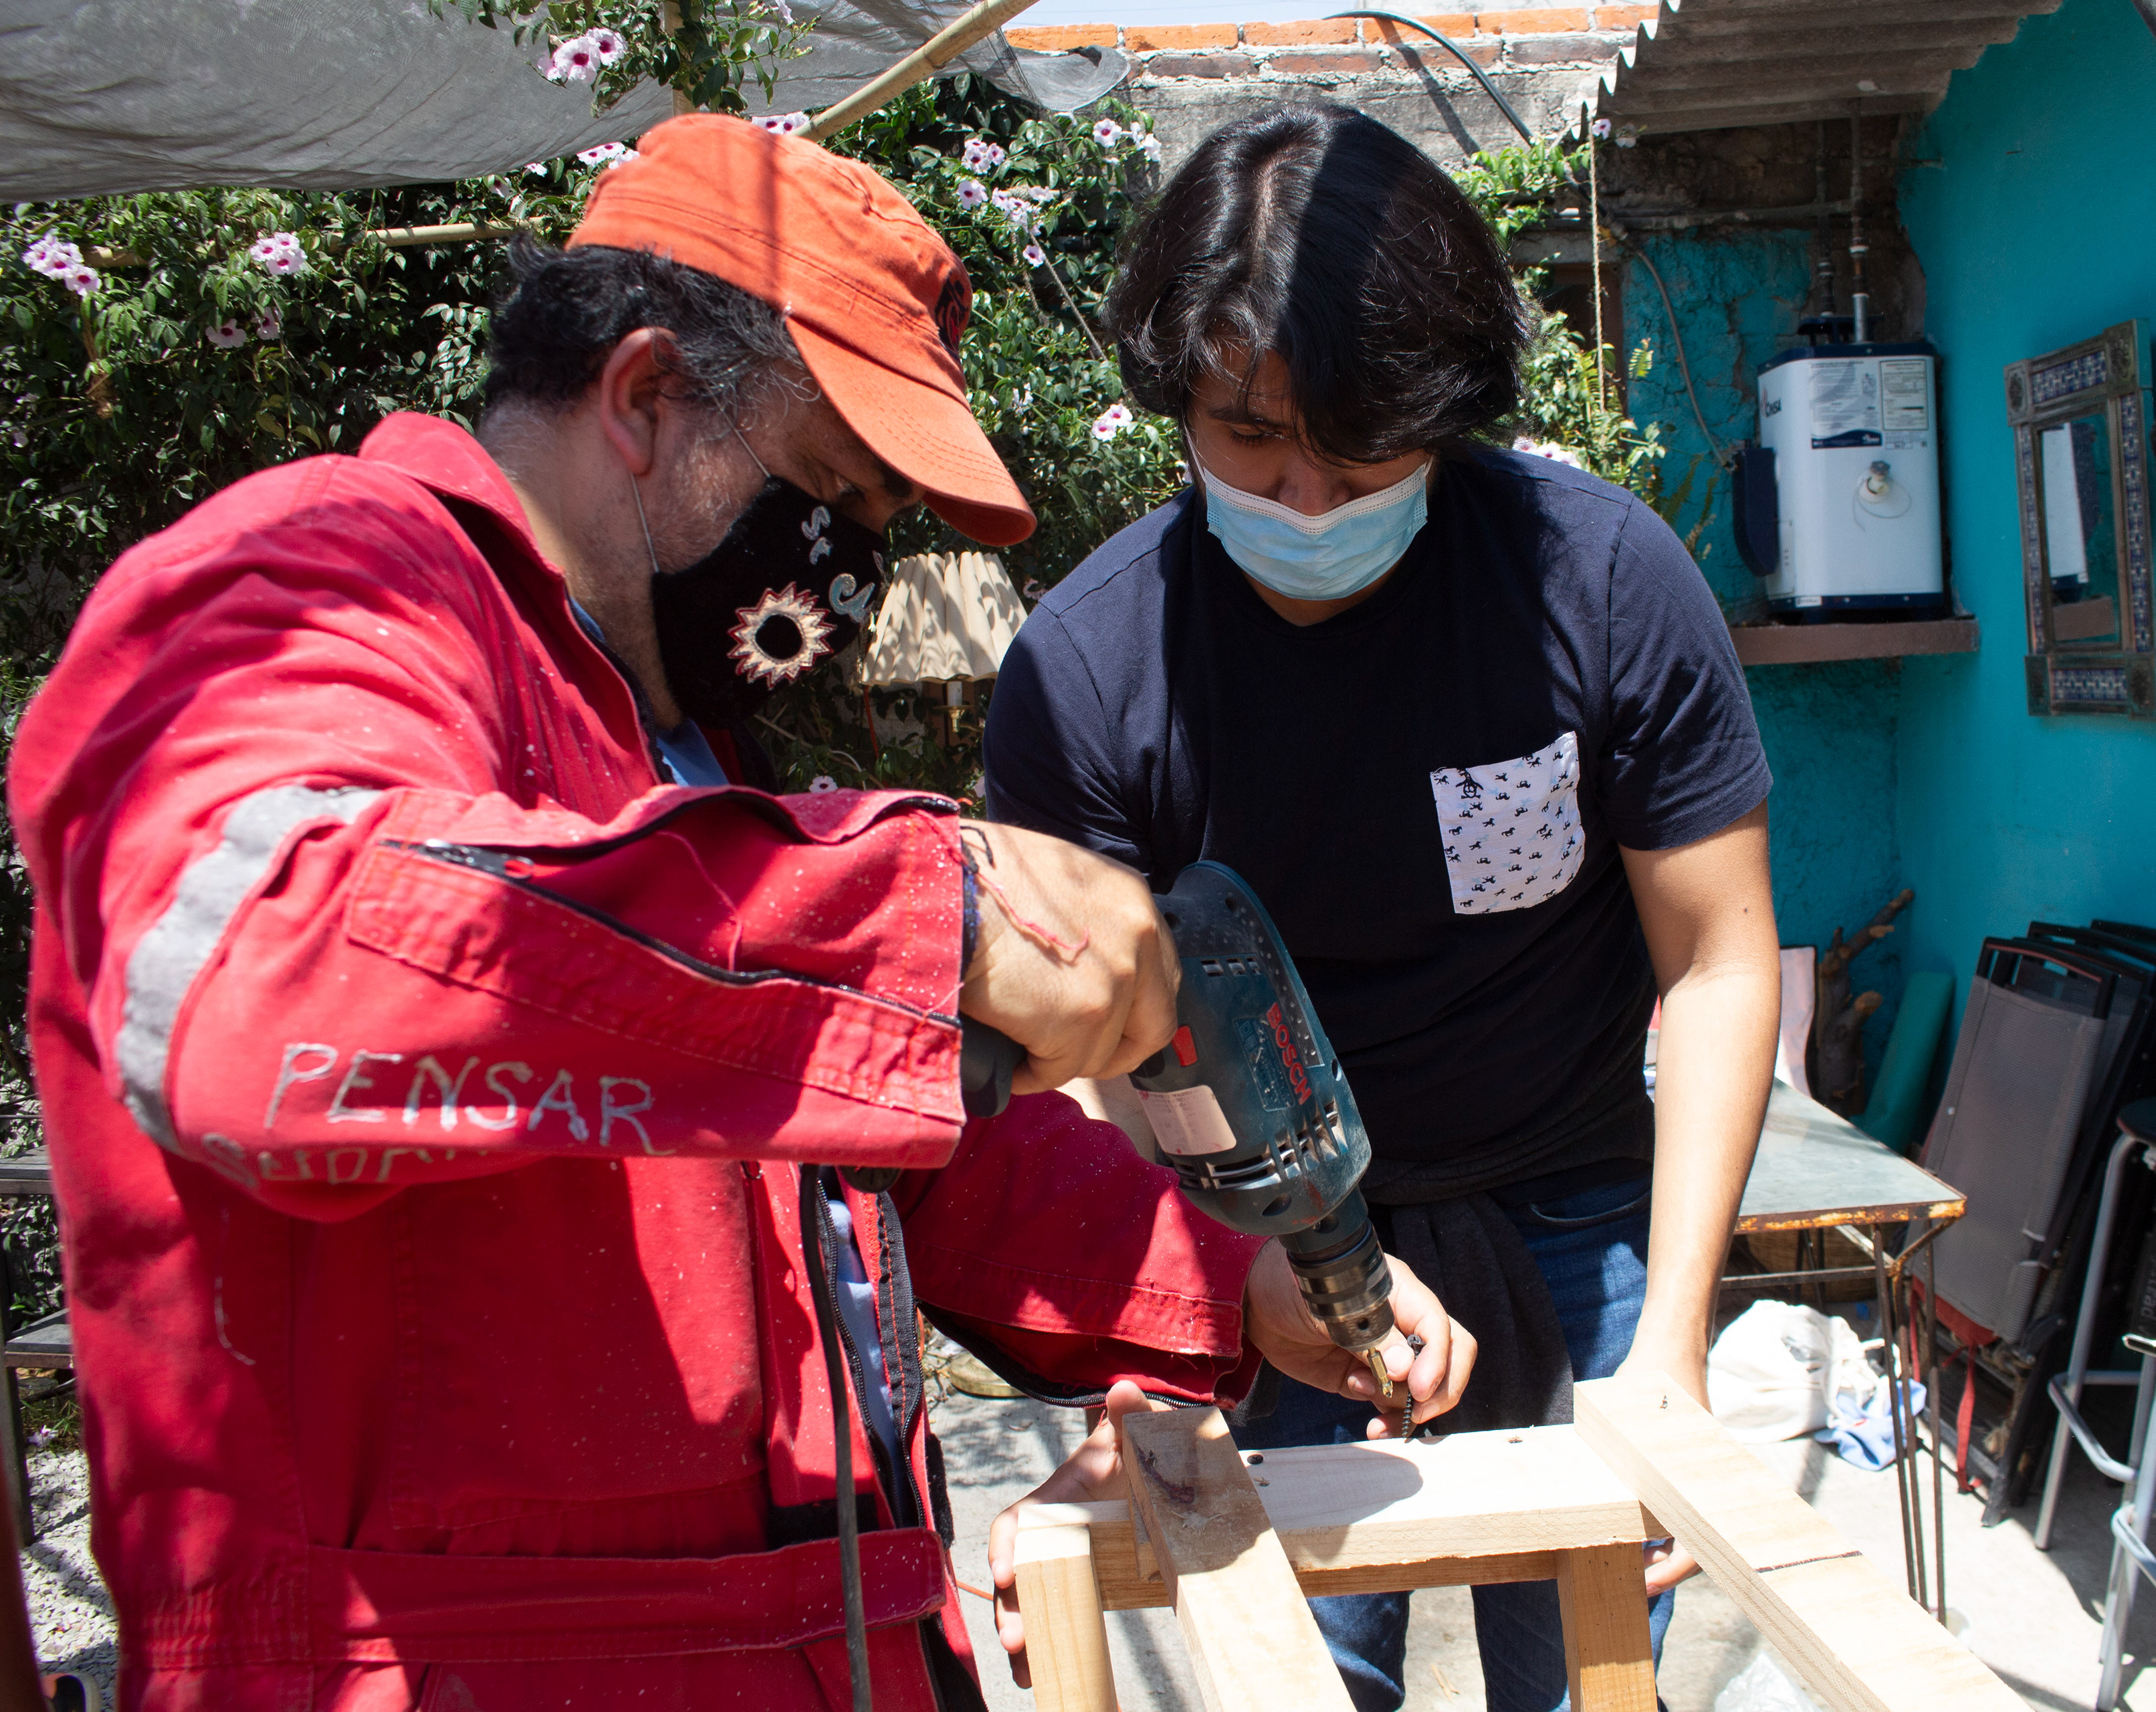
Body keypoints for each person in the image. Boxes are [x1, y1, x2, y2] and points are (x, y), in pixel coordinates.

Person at [7, 113, 1467, 1710]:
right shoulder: (316, 584)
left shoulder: (676, 736)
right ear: (643, 394)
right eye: (830, 486)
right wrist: (915, 909)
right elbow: (263, 983)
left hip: (809, 1637)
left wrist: (1218, 1278)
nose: (846, 573)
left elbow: (843, 1153)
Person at [980, 104, 1782, 1712]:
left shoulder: (1598, 583)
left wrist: (1675, 1353)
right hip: (1258, 1234)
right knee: (1295, 1674)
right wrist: (1181, 1321)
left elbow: (1715, 955)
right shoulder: (1090, 669)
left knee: (1582, 1670)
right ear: (1179, 399)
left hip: (1573, 1208)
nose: (1305, 497)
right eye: (1250, 440)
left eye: (1359, 460)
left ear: (1447, 409)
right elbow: (1075, 1067)